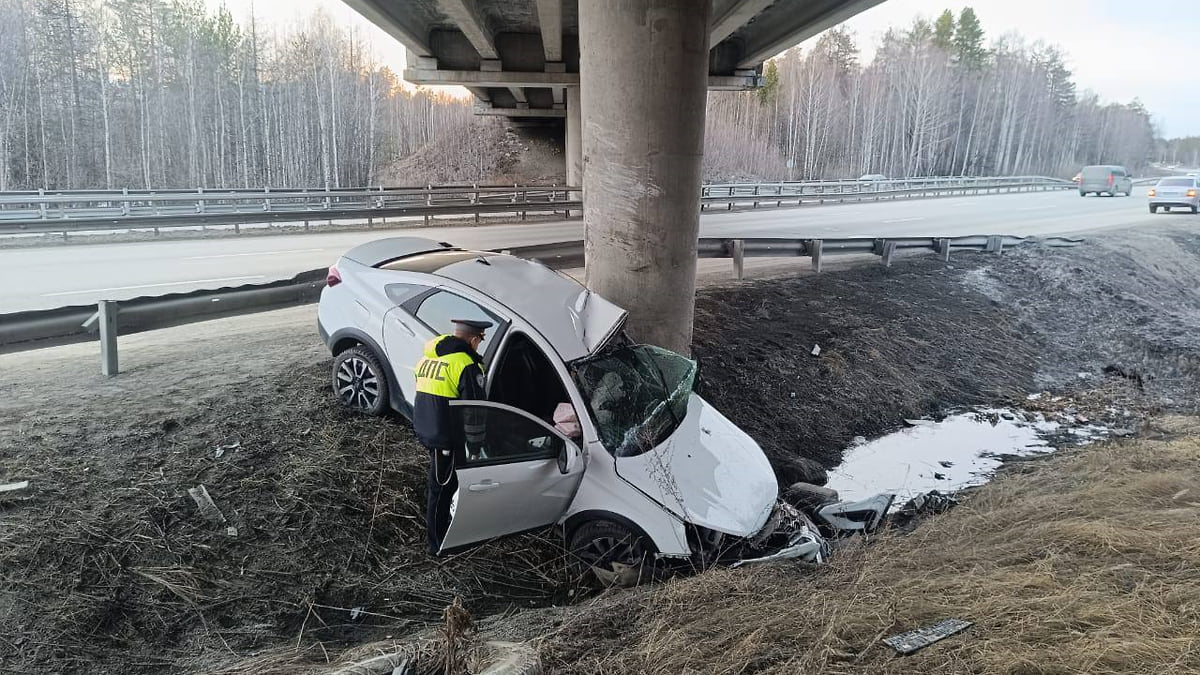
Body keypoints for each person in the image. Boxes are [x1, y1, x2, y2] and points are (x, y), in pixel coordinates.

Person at [412, 318, 492, 555]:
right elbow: (474, 412)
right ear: (474, 339)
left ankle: (439, 527)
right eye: (479, 342)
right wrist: (475, 447)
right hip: (447, 439)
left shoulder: (428, 358)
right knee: (441, 490)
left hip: (429, 430)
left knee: (438, 482)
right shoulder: (466, 364)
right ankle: (437, 545)